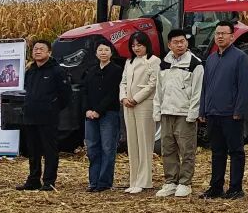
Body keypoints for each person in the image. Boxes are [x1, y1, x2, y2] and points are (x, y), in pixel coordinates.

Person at [200, 21, 248, 199]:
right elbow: (205, 87)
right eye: (217, 33)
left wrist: (239, 110)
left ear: (232, 36)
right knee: (217, 152)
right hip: (213, 113)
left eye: (224, 33)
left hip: (231, 113)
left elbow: (244, 86)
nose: (220, 36)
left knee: (236, 151)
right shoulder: (211, 59)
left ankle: (236, 188)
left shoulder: (240, 57)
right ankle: (216, 187)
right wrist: (203, 109)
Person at [16, 39, 71, 192]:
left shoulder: (57, 71)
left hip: (48, 117)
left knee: (49, 150)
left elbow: (66, 95)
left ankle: (49, 181)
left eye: (41, 49)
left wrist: (53, 107)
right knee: (33, 150)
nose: (38, 51)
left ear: (49, 52)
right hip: (30, 116)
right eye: (35, 49)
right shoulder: (30, 70)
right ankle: (33, 180)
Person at [154, 30, 203, 198]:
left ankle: (185, 182)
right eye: (176, 42)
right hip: (167, 111)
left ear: (187, 43)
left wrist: (193, 113)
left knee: (186, 149)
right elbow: (159, 89)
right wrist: (157, 110)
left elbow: (197, 91)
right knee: (168, 149)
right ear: (169, 45)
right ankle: (170, 181)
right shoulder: (164, 63)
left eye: (182, 41)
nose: (180, 45)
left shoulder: (195, 64)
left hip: (184, 113)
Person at [120, 31, 160, 194]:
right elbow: (123, 82)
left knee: (144, 142)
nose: (136, 48)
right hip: (128, 105)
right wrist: (124, 98)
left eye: (140, 45)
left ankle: (144, 180)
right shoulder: (129, 61)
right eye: (134, 45)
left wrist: (136, 99)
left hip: (144, 105)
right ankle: (134, 179)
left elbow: (153, 84)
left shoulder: (154, 60)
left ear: (146, 45)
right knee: (132, 142)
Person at [82, 38, 124, 192]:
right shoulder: (91, 70)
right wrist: (87, 110)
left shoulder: (117, 70)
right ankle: (93, 181)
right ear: (96, 53)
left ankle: (104, 182)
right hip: (90, 115)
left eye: (106, 50)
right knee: (92, 148)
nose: (103, 53)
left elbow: (113, 93)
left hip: (108, 114)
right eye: (100, 50)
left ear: (111, 53)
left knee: (108, 147)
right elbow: (84, 92)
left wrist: (99, 110)